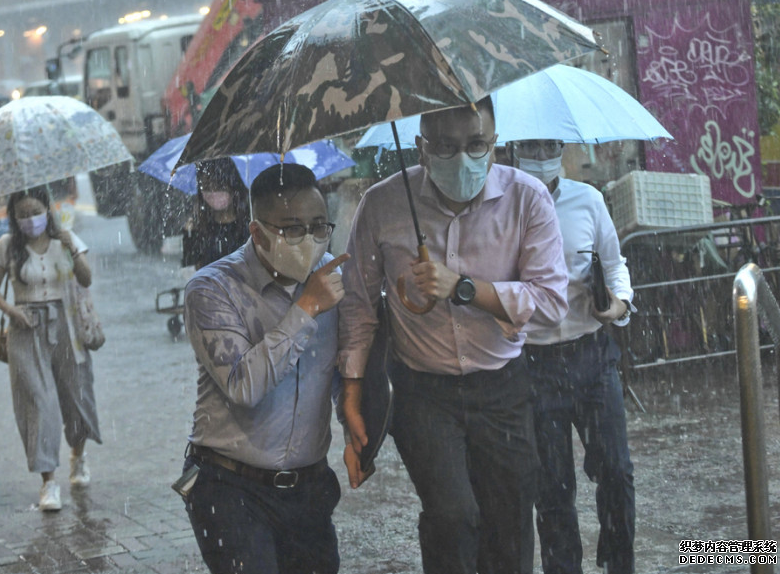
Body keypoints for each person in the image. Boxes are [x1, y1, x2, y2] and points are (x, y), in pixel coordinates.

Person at [338, 98, 569, 574]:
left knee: (508, 521)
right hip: (424, 393)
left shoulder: (527, 200)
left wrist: (465, 289)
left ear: (494, 145)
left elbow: (550, 302)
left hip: (502, 386)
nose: (461, 158)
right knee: (452, 516)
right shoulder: (383, 204)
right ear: (421, 148)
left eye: (475, 144)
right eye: (445, 146)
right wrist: (353, 396)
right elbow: (358, 306)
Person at [181, 163, 350, 574]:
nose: (308, 241)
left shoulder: (333, 278)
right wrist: (305, 308)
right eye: (292, 229)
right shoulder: (212, 289)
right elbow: (244, 386)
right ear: (258, 232)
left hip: (308, 486)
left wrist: (357, 416)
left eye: (318, 227)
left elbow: (345, 368)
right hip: (230, 486)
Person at [508, 139, 635, 574]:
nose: (540, 152)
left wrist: (617, 304)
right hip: (533, 364)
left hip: (593, 356)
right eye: (530, 144)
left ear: (561, 147)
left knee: (616, 471)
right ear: (511, 146)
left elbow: (616, 264)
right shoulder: (499, 207)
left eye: (548, 144)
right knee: (552, 490)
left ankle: (620, 561)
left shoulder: (588, 200)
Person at [0, 185, 102, 512]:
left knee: (76, 397)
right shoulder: (7, 246)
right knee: (38, 404)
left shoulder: (66, 239)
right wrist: (12, 311)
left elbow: (87, 279)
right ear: (13, 217)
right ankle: (48, 482)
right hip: (25, 329)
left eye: (35, 212)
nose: (29, 219)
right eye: (22, 214)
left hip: (66, 325)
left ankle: (78, 456)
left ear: (47, 210)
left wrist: (72, 250)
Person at [181, 158, 251, 270]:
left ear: (233, 186)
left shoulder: (248, 225)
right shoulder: (197, 227)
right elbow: (188, 268)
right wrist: (189, 235)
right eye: (207, 187)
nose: (213, 192)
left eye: (220, 186)